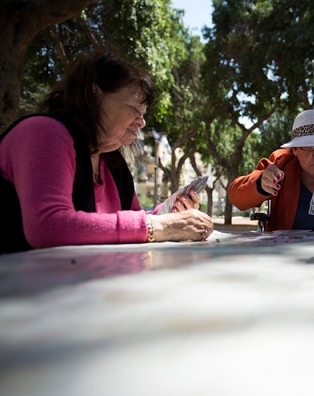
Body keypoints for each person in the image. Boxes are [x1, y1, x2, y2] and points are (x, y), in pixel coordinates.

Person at [0, 48, 213, 254]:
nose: (142, 122)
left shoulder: (112, 162)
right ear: (94, 95)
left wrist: (169, 214)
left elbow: (128, 223)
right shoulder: (44, 132)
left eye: (143, 113)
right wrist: (158, 226)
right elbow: (48, 226)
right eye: (134, 109)